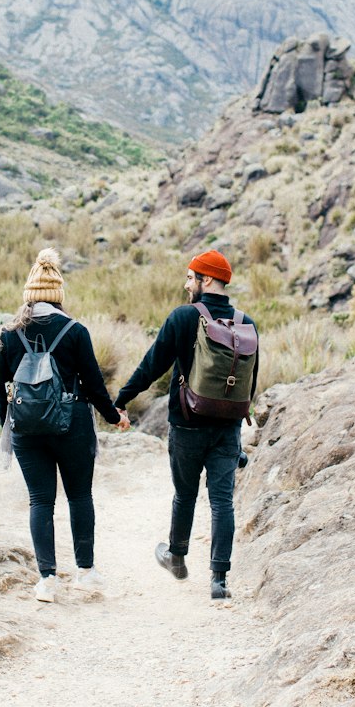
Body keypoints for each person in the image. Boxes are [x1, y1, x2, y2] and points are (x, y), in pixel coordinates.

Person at [114, 249, 258, 601]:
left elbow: (151, 367)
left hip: (187, 424)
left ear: (206, 279)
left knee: (186, 494)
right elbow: (250, 380)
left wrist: (119, 400)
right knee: (222, 501)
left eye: (190, 277)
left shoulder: (183, 317)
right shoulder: (246, 322)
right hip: (227, 427)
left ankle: (177, 557)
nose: (186, 283)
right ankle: (219, 581)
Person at [0, 247, 129, 603]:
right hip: (73, 424)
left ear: (28, 296)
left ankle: (47, 580)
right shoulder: (75, 330)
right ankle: (85, 573)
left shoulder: (6, 335)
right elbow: (95, 385)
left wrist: (8, 426)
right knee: (80, 496)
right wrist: (115, 417)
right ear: (58, 297)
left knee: (40, 501)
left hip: (26, 430)